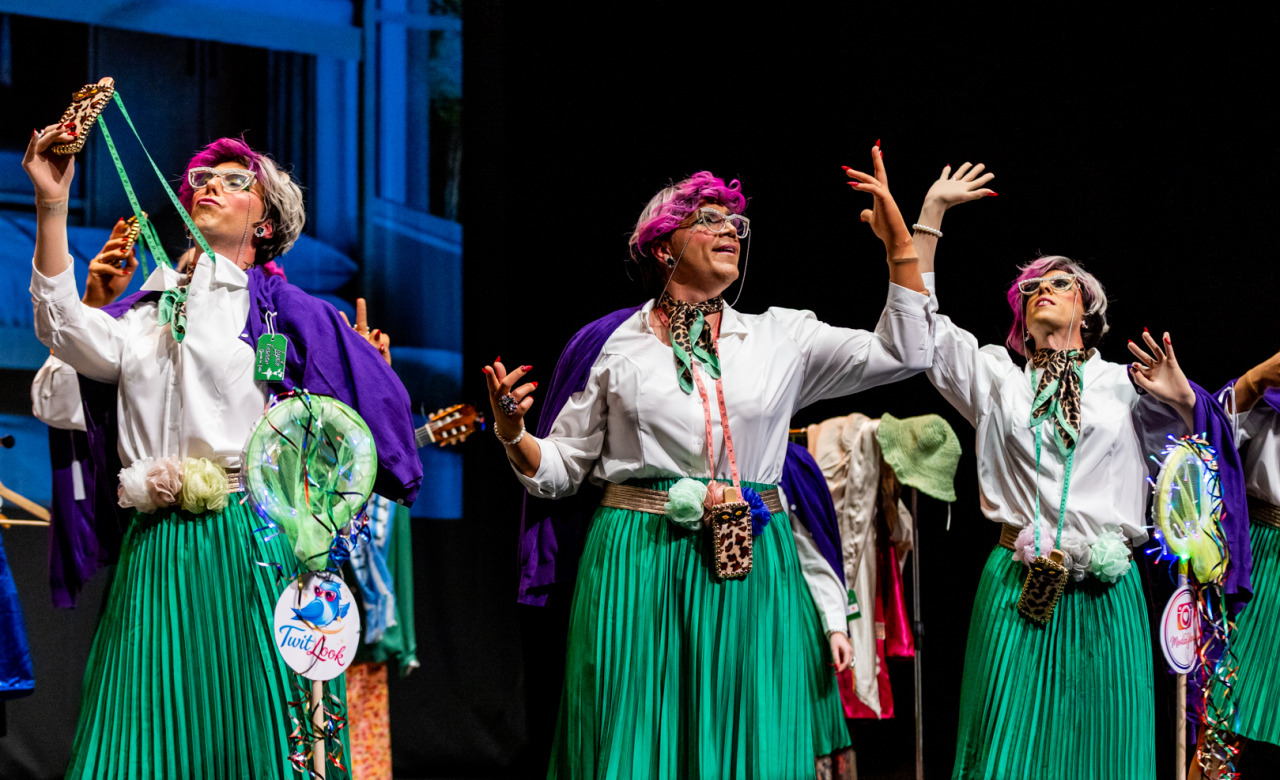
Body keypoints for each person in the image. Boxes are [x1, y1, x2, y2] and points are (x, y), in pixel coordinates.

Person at [489, 146, 932, 777]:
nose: (730, 230)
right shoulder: (613, 345)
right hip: (639, 558)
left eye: (736, 223)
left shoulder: (783, 338)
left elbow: (909, 351)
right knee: (637, 738)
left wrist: (900, 248)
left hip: (752, 560)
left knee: (749, 737)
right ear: (663, 246)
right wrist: (513, 432)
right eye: (710, 219)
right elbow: (561, 468)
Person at [23, 125, 420, 778]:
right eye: (202, 180)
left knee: (251, 733)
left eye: (236, 182)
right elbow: (59, 325)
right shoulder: (146, 312)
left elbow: (368, 420)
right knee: (136, 729)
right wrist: (51, 206)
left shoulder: (284, 315)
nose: (210, 186)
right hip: (154, 546)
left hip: (248, 539)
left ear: (265, 220)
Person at [909, 162, 1247, 779]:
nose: (1044, 288)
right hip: (1015, 587)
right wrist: (930, 216)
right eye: (1034, 285)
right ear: (1020, 317)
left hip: (1103, 592)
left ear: (1087, 310)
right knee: (1004, 752)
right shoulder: (995, 377)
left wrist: (1185, 398)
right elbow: (919, 331)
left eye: (1060, 283)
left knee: (1103, 753)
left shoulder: (1127, 385)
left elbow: (1212, 455)